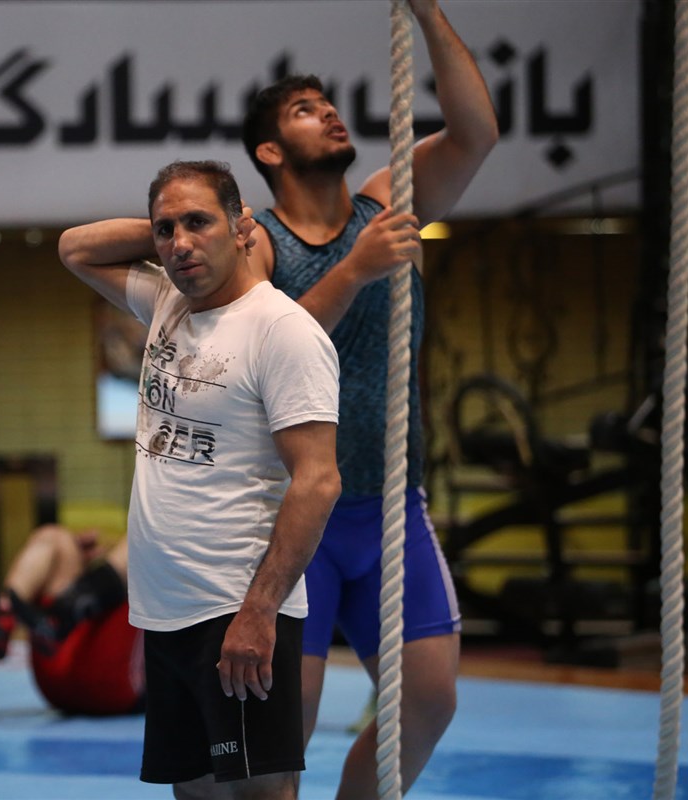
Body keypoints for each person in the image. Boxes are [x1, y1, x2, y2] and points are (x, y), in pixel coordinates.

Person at [239, 1, 499, 796]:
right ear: (271, 150)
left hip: (390, 506)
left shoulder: (389, 204)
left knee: (430, 699)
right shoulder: (256, 243)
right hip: (297, 517)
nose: (330, 115)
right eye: (305, 110)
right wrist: (354, 271)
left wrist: (428, 15)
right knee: (288, 728)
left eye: (330, 105)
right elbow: (263, 354)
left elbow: (476, 134)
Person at [59, 160, 341, 798]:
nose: (180, 243)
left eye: (199, 223)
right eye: (166, 229)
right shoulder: (167, 301)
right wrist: (177, 236)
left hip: (236, 607)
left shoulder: (282, 331)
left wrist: (259, 613)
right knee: (194, 790)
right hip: (165, 611)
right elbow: (74, 249)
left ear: (244, 228)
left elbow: (319, 481)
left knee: (262, 793)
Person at [0, 524, 144, 716]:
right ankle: (4, 623)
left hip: (105, 684)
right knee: (54, 538)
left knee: (144, 537)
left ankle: (60, 615)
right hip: (73, 672)